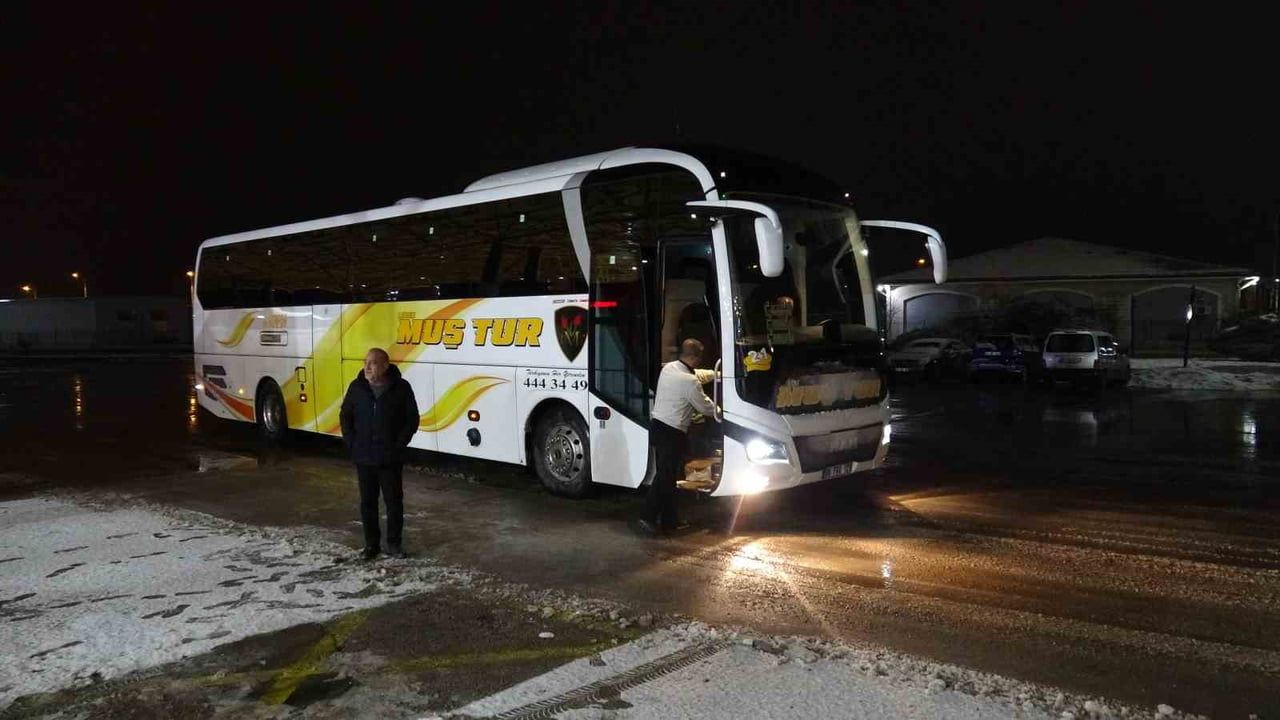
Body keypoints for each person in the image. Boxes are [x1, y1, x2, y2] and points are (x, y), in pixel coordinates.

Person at [340, 348, 420, 560]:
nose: (367, 367)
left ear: (385, 366)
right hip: (364, 457)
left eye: (373, 363)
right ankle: (371, 545)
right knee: (368, 503)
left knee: (393, 503)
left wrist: (399, 445)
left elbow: (412, 419)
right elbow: (345, 416)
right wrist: (352, 443)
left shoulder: (401, 388)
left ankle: (394, 544)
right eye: (365, 362)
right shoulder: (357, 387)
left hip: (389, 458)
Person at [636, 338, 718, 536]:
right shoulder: (689, 382)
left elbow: (697, 374)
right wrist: (723, 412)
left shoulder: (669, 368)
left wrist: (716, 374)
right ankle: (647, 516)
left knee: (669, 477)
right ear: (696, 357)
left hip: (658, 427)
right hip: (672, 432)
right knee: (665, 478)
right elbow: (705, 407)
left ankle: (670, 521)